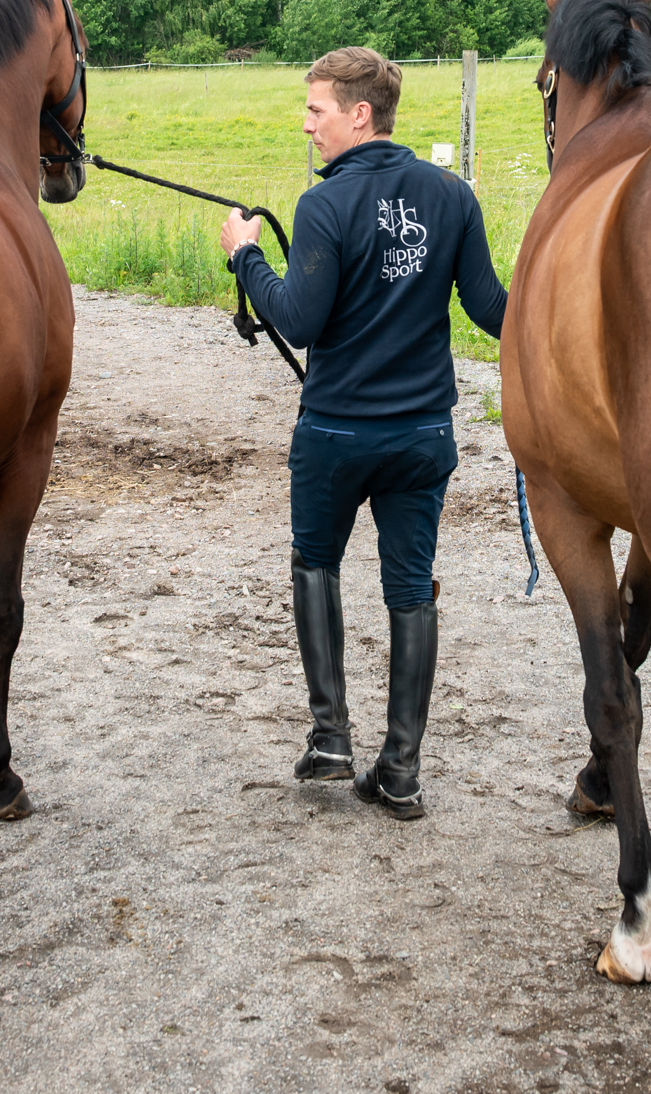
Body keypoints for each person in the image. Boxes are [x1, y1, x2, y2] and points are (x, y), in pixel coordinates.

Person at [218, 47, 506, 820]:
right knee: (410, 589)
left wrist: (247, 257)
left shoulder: (324, 206)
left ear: (359, 114)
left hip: (337, 433)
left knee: (315, 563)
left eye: (316, 110)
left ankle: (332, 736)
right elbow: (493, 310)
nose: (306, 124)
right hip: (421, 436)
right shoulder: (452, 194)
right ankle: (402, 769)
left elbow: (299, 317)